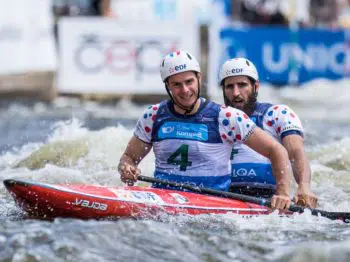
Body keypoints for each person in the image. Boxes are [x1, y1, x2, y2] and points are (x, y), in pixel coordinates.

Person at [118, 50, 293, 210]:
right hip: (163, 200)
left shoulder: (226, 117)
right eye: (177, 85)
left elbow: (276, 150)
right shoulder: (153, 115)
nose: (185, 90)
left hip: (211, 203)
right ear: (167, 86)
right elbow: (129, 158)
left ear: (199, 79)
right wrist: (127, 168)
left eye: (189, 82)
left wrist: (283, 193)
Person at [218, 57, 318, 208]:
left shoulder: (278, 114)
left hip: (271, 197)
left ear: (256, 86)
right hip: (224, 197)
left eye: (242, 85)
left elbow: (296, 153)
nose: (236, 92)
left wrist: (304, 186)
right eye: (229, 87)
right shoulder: (215, 117)